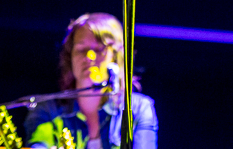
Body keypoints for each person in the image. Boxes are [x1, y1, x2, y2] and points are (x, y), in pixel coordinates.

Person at [24, 13, 158, 149]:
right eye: (81, 49)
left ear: (115, 56)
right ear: (70, 57)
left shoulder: (138, 108)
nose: (89, 57)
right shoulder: (46, 109)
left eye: (99, 49)